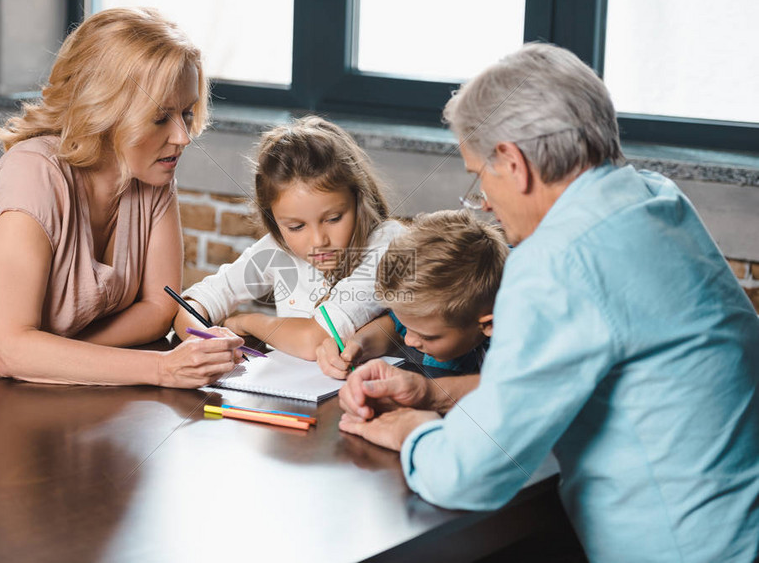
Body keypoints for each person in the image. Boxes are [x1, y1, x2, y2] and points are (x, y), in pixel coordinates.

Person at [339, 43, 759, 562]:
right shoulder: (655, 200)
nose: (485, 201)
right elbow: (565, 379)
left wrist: (411, 432)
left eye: (480, 175)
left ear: (513, 163)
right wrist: (432, 394)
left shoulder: (558, 263)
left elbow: (469, 475)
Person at [0, 8, 245, 400]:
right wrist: (163, 368)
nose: (182, 136)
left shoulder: (152, 174)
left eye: (185, 113)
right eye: (160, 118)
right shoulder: (32, 174)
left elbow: (157, 309)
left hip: (26, 395)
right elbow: (13, 350)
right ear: (106, 110)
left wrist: (61, 354)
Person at [173, 116, 406, 360]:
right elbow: (191, 306)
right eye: (296, 226)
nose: (318, 241)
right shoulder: (278, 249)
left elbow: (314, 341)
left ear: (359, 200)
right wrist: (206, 341)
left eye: (334, 218)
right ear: (274, 220)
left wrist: (246, 322)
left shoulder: (389, 244)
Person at [316, 209, 507, 379]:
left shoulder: (513, 354)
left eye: (428, 337)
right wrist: (357, 344)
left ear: (488, 323)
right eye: (408, 327)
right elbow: (394, 325)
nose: (409, 340)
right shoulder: (433, 313)